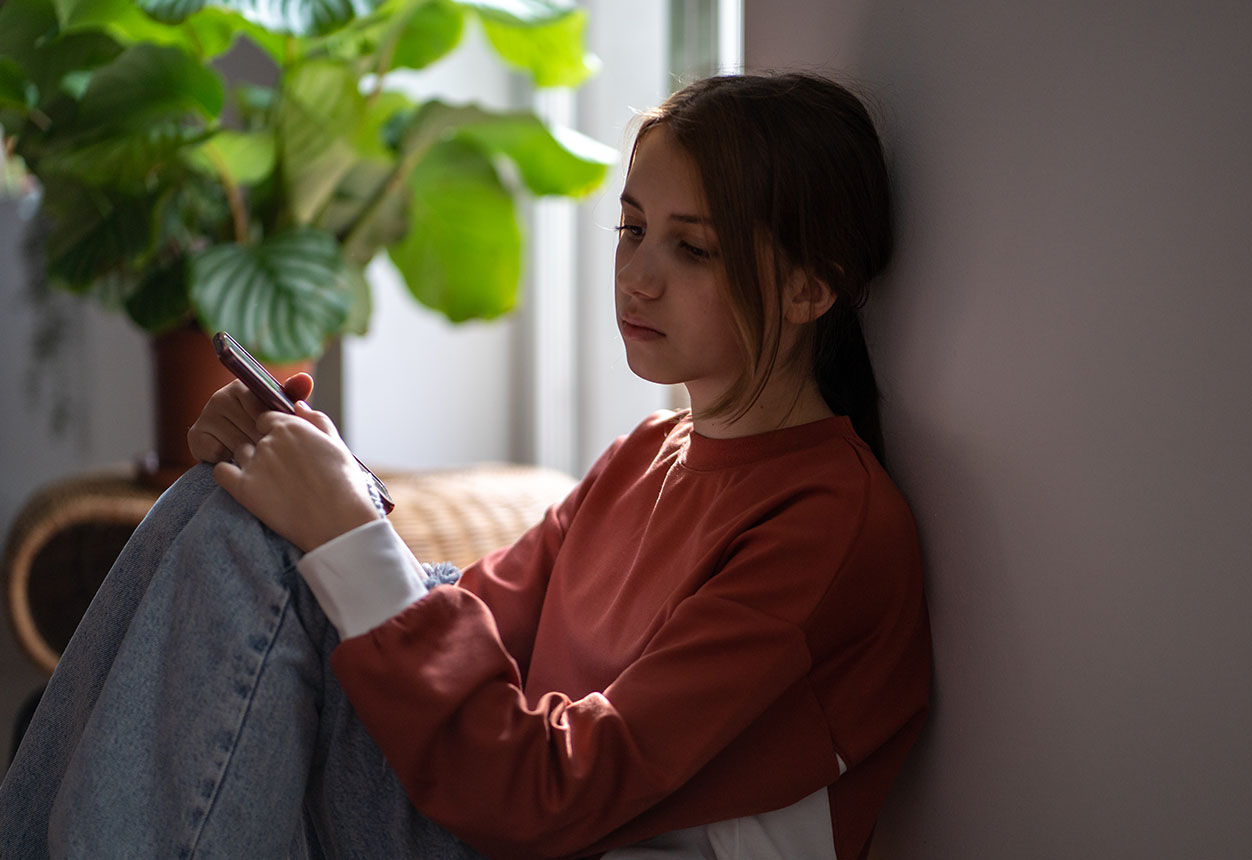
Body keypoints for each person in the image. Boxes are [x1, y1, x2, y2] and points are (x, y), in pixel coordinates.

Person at [0, 72, 931, 859]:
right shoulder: (646, 457)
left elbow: (548, 792)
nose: (638, 276)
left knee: (258, 536)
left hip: (547, 829)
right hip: (490, 795)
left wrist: (340, 524)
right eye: (631, 229)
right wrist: (319, 487)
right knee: (237, 499)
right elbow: (460, 629)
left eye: (692, 248)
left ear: (813, 287)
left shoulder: (829, 524)